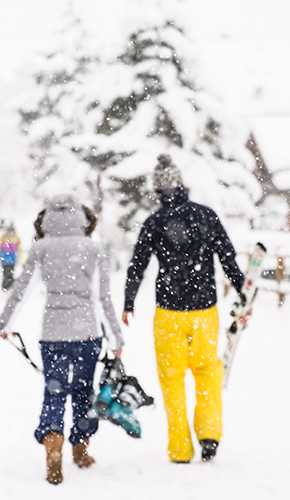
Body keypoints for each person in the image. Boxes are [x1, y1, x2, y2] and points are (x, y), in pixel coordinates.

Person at [121, 154, 249, 464]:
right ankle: (209, 435)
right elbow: (227, 256)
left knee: (172, 379)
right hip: (204, 309)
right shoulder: (206, 216)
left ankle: (180, 448)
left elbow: (137, 265)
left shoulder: (154, 222)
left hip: (169, 312)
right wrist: (244, 292)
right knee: (207, 372)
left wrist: (128, 301)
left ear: (158, 191)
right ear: (182, 185)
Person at [0, 194, 123, 485]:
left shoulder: (41, 249)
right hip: (87, 334)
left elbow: (20, 291)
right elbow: (102, 299)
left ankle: (53, 443)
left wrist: (5, 324)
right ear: (83, 218)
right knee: (82, 392)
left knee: (54, 391)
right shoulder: (92, 249)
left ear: (45, 220)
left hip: (53, 335)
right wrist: (116, 339)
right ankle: (80, 449)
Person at [0, 224, 20, 290]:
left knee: (10, 274)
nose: (10, 233)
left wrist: (20, 260)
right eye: (9, 232)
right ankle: (4, 287)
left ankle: (10, 287)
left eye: (12, 232)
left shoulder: (16, 239)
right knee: (5, 274)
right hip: (4, 260)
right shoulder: (3, 238)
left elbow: (20, 250)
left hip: (12, 261)